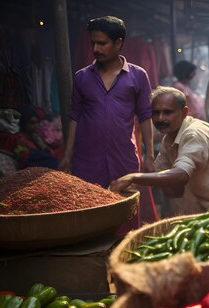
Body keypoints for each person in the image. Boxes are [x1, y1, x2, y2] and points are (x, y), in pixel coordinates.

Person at [59, 16, 157, 230]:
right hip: (87, 159)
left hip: (124, 157)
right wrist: (67, 156)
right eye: (93, 43)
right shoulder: (82, 77)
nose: (96, 48)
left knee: (127, 213)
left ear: (119, 43)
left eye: (102, 43)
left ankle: (122, 255)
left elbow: (145, 116)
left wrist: (149, 156)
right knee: (89, 212)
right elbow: (74, 117)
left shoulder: (138, 76)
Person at [110, 87, 209, 214]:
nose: (160, 119)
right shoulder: (169, 139)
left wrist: (133, 177)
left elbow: (181, 175)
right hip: (207, 204)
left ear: (184, 112)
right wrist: (117, 186)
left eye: (167, 113)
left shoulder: (194, 133)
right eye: (156, 113)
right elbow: (159, 175)